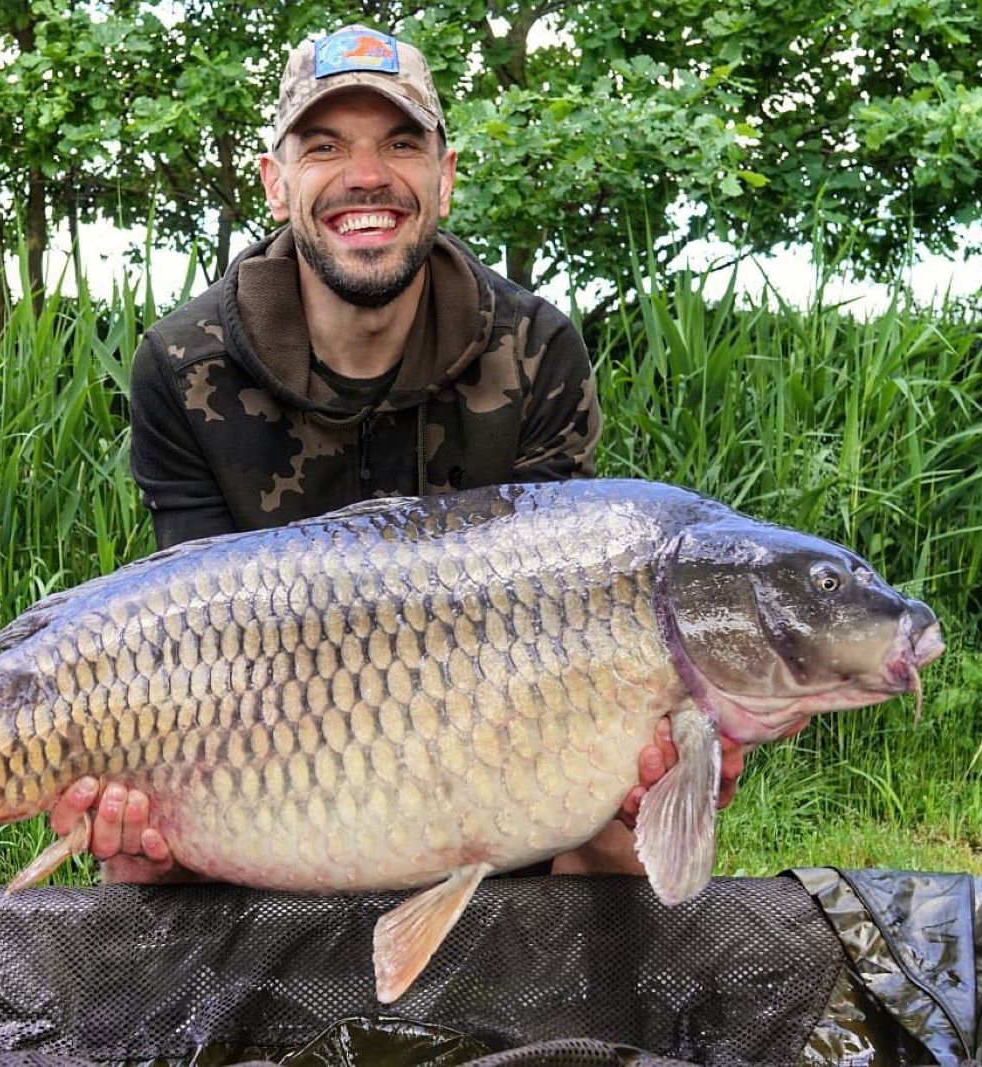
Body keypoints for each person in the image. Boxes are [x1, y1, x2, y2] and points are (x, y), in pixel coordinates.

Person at [49, 24, 746, 883]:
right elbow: (191, 620)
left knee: (615, 819)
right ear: (276, 184)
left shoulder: (535, 349)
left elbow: (569, 618)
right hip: (257, 732)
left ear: (444, 178)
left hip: (492, 734)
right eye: (324, 146)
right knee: (143, 853)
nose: (367, 175)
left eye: (401, 144)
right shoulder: (185, 364)